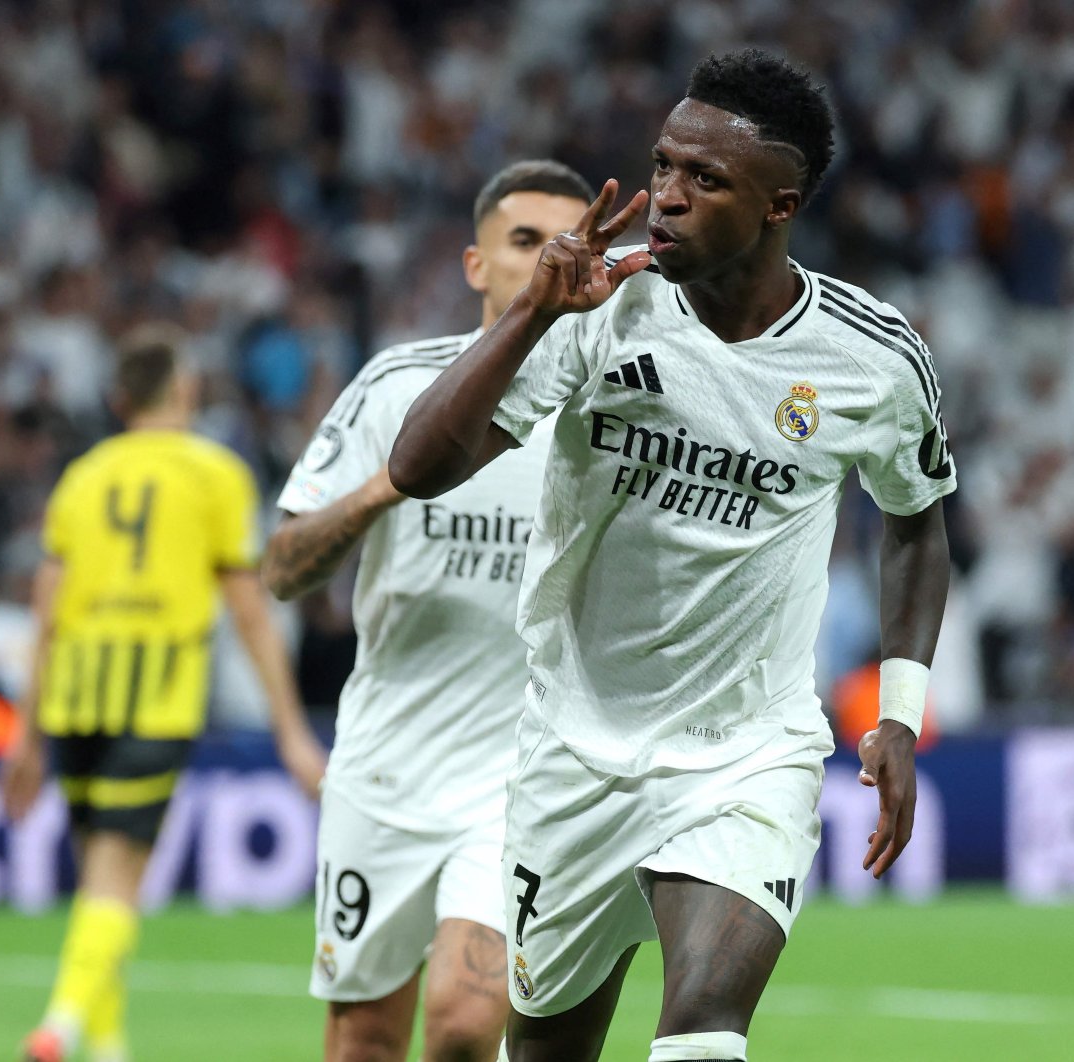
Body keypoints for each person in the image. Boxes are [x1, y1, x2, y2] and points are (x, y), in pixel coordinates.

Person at [389, 50, 955, 1062]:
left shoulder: (871, 358)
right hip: (572, 747)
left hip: (746, 749)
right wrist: (527, 314)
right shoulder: (596, 311)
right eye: (662, 166)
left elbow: (915, 519)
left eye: (705, 180)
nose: (666, 198)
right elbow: (416, 468)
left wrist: (898, 717)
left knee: (701, 1031)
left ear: (780, 204)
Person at [262, 160, 594, 1062]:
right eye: (524, 240)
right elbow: (283, 569)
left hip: (524, 779)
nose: (548, 258)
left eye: (568, 239)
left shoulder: (609, 414)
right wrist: (388, 486)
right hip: (387, 769)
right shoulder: (397, 388)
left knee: (462, 1021)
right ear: (475, 265)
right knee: (365, 1038)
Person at [0, 324, 326, 1062]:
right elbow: (249, 610)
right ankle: (61, 1027)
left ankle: (107, 1047)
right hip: (155, 694)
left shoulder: (82, 476)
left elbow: (44, 610)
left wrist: (22, 732)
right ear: (187, 390)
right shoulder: (215, 473)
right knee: (118, 879)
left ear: (119, 398)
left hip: (75, 696)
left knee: (95, 880)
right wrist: (290, 730)